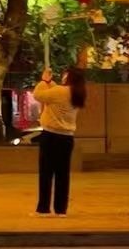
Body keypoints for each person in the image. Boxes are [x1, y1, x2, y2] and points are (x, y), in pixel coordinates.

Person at [33, 67, 88, 217]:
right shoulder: (77, 93)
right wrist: (49, 82)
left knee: (46, 173)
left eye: (65, 74)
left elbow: (38, 95)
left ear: (69, 76)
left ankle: (43, 208)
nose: (63, 76)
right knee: (62, 175)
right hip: (67, 138)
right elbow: (55, 92)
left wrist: (44, 81)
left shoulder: (60, 92)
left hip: (51, 136)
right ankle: (61, 209)